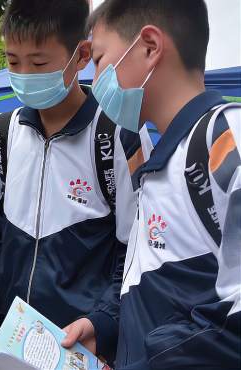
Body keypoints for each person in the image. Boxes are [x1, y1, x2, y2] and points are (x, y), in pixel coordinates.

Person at [62, 0, 241, 368]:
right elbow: (166, 290)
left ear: (149, 47)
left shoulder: (223, 140)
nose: (95, 81)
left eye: (98, 60)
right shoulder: (163, 163)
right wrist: (107, 324)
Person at [0, 0, 138, 363]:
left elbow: (137, 252)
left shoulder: (116, 137)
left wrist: (103, 322)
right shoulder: (1, 134)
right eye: (13, 61)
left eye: (39, 63)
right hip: (9, 343)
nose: (24, 73)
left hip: (82, 349)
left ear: (81, 55)